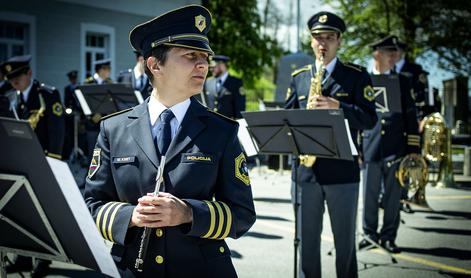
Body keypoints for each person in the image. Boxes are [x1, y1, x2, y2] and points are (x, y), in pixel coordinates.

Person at [83, 5, 256, 277]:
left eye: (204, 57)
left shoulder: (222, 131)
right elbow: (92, 205)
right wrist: (130, 217)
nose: (203, 64)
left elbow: (242, 214)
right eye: (190, 55)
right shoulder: (113, 129)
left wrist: (188, 213)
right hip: (132, 268)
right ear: (154, 64)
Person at [284, 12, 377, 278]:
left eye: (329, 38)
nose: (322, 44)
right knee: (307, 246)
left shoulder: (357, 76)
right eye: (317, 38)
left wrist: (340, 107)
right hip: (305, 175)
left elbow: (370, 119)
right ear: (311, 42)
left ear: (339, 42)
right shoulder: (300, 77)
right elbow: (286, 120)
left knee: (345, 246)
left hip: (342, 173)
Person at [0, 54, 65, 278]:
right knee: (24, 212)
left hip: (46, 162)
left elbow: (57, 131)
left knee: (44, 215)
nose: (14, 82)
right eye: (10, 78)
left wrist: (53, 162)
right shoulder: (14, 97)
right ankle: (24, 258)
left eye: (18, 77)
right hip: (24, 163)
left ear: (29, 73)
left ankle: (43, 261)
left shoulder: (47, 94)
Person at [360, 35, 420, 254]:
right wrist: (357, 148)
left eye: (395, 52)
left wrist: (412, 149)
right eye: (389, 52)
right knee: (369, 195)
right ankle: (368, 234)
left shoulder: (403, 81)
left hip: (396, 148)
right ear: (377, 53)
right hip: (371, 146)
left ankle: (388, 237)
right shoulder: (364, 79)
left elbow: (411, 117)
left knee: (393, 197)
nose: (395, 56)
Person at [203, 55, 245, 119]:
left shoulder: (236, 83)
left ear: (222, 65)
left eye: (213, 67)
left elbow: (240, 109)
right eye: (210, 67)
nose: (211, 69)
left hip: (228, 125)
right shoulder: (208, 82)